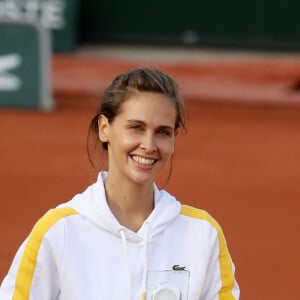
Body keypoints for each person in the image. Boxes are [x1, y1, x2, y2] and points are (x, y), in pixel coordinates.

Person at [0, 68, 239, 300]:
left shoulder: (202, 234)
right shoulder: (58, 232)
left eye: (163, 132)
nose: (148, 144)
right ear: (104, 129)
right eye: (136, 127)